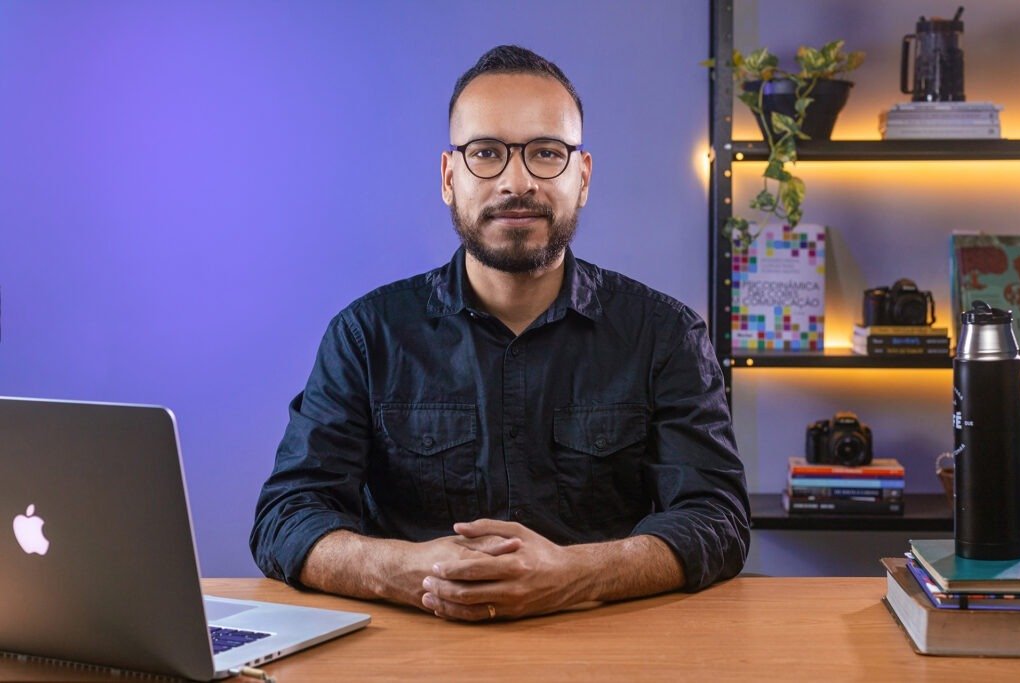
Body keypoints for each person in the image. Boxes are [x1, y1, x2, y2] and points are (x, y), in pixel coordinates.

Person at [250, 45, 749, 622]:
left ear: (583, 177)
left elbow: (718, 519)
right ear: (449, 177)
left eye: (547, 153)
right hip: (411, 649)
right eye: (486, 152)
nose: (517, 182)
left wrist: (574, 575)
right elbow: (286, 518)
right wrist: (410, 570)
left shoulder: (666, 334)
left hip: (603, 643)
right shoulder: (366, 336)